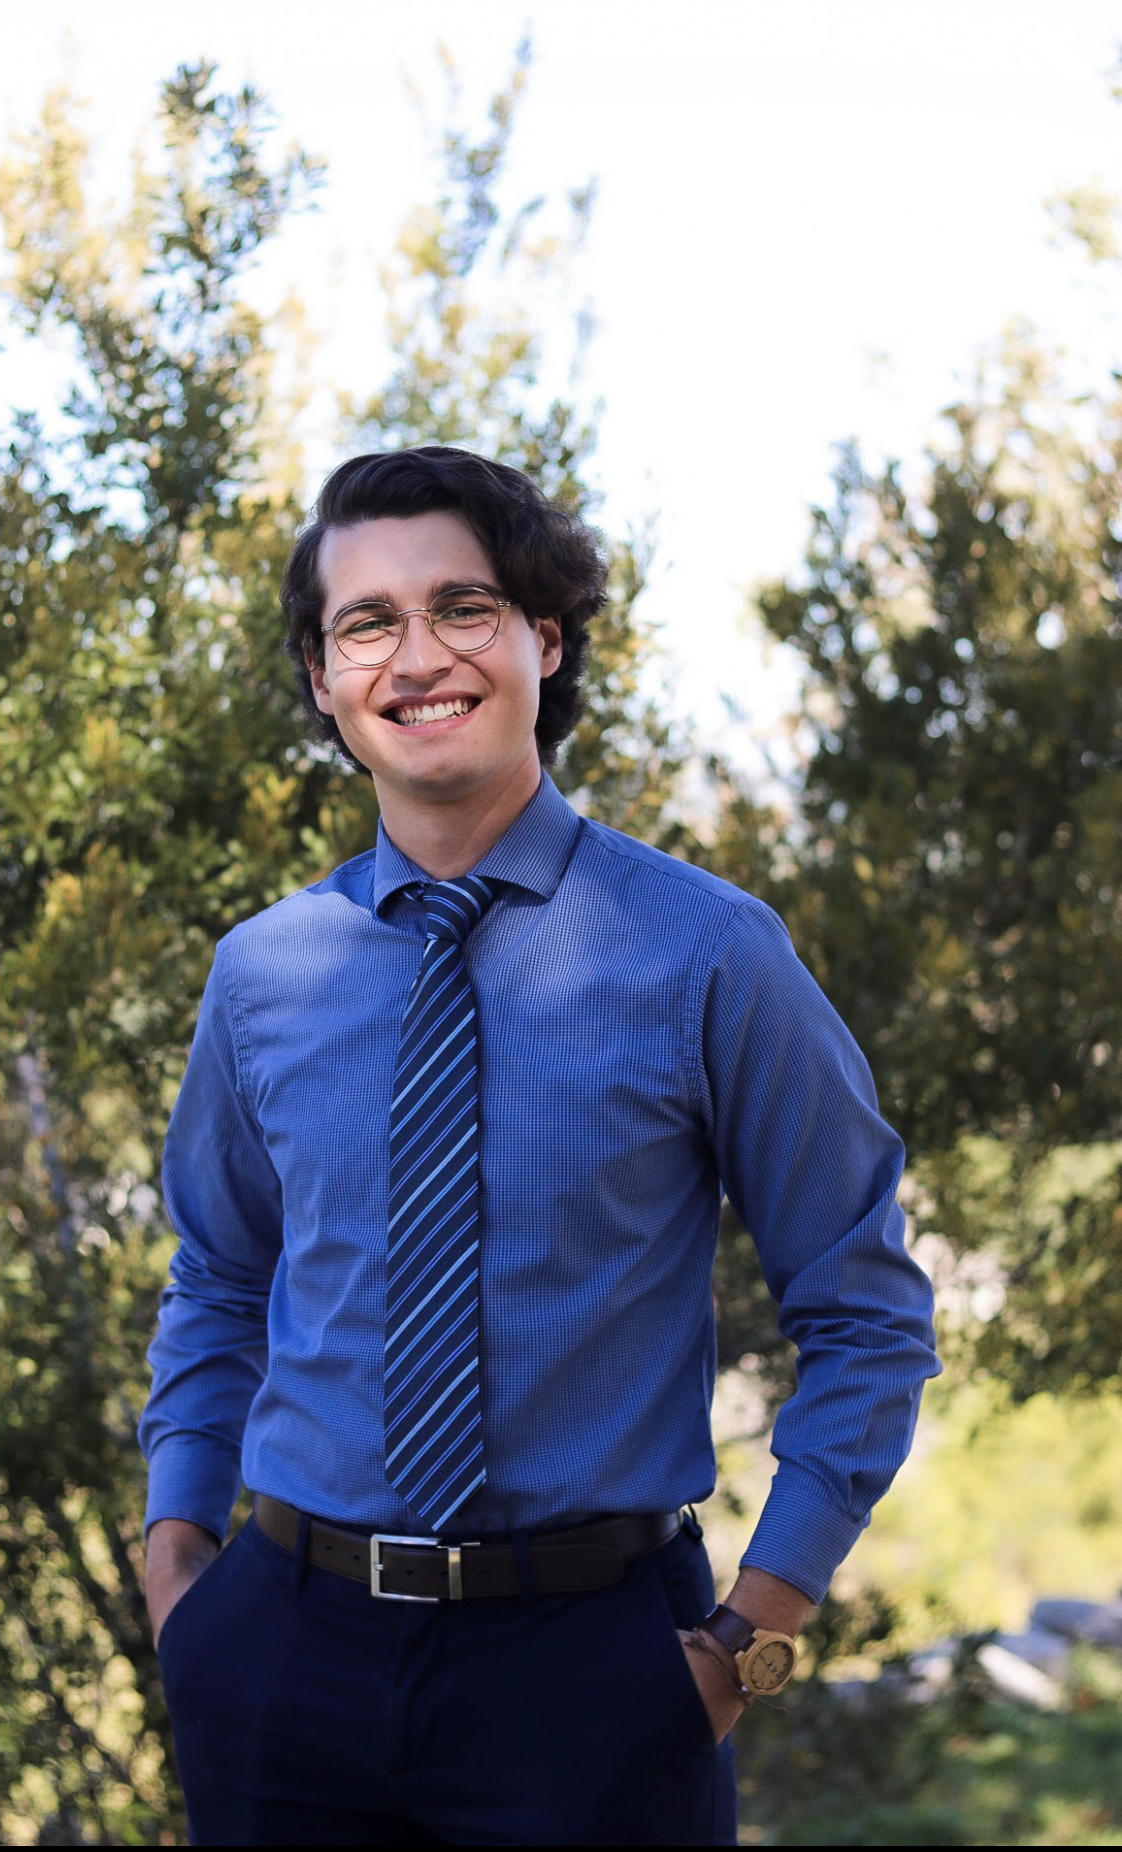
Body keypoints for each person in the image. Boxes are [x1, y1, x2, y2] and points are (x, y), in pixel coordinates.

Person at [139, 445, 939, 1847]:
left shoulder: (708, 954)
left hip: (595, 1681)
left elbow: (865, 1313)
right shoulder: (264, 973)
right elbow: (219, 1275)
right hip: (279, 1665)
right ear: (323, 678)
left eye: (463, 607)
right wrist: (178, 1570)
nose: (417, 658)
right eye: (365, 623)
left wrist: (748, 1640)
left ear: (543, 640)